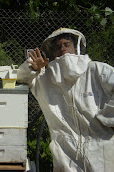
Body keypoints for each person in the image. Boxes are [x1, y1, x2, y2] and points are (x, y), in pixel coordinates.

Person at [17, 28, 114, 172]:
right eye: (58, 46)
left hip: (101, 147)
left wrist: (107, 118)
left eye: (66, 44)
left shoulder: (96, 70)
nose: (62, 49)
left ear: (76, 47)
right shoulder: (44, 78)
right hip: (66, 154)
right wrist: (33, 69)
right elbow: (20, 77)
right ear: (53, 52)